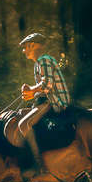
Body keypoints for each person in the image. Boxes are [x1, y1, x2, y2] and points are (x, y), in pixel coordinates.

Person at [17, 33, 70, 172]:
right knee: (21, 113)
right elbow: (43, 88)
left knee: (24, 124)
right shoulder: (40, 63)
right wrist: (30, 93)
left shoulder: (43, 60)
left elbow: (47, 84)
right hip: (48, 100)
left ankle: (39, 164)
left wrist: (32, 90)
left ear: (33, 45)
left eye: (25, 47)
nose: (24, 51)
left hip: (55, 102)